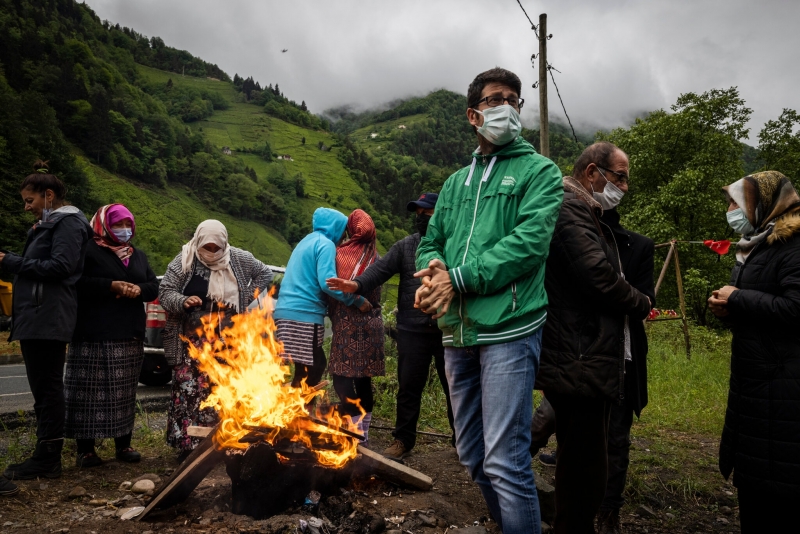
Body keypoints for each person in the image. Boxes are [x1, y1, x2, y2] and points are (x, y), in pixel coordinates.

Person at [414, 67, 563, 534]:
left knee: (506, 458)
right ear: (474, 115)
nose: (508, 107)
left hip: (510, 329)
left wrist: (456, 277)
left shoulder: (540, 172)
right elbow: (429, 239)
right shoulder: (457, 182)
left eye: (514, 100)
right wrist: (433, 273)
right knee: (473, 454)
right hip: (458, 332)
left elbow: (528, 244)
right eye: (497, 99)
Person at [535, 142, 651, 534]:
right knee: (587, 463)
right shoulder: (571, 208)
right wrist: (640, 302)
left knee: (579, 454)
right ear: (591, 173)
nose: (624, 186)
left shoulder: (587, 211)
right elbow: (598, 276)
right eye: (619, 176)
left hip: (581, 351)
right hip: (579, 353)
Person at [328, 193, 455, 460]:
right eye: (418, 213)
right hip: (412, 329)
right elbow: (380, 270)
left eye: (427, 212)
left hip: (448, 329)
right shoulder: (406, 246)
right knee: (409, 388)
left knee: (455, 389)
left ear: (441, 213)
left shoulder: (454, 244)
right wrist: (357, 284)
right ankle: (403, 440)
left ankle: (463, 441)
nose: (421, 218)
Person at [708, 171, 800, 533]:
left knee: (780, 487)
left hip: (784, 387)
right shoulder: (755, 245)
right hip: (757, 384)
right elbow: (763, 314)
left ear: (763, 203)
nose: (730, 210)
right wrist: (730, 310)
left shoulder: (793, 246)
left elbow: (796, 308)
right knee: (757, 484)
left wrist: (740, 298)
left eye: (736, 202)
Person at [0, 162, 90, 489]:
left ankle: (48, 457)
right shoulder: (46, 225)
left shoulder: (68, 224)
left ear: (48, 195)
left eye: (30, 201)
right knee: (42, 387)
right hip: (36, 316)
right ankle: (45, 451)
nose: (26, 207)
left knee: (48, 386)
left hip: (48, 316)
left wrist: (9, 260)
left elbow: (61, 267)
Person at [159, 220, 272, 457]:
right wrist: (183, 301)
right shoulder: (184, 261)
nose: (211, 252)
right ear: (198, 241)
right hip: (192, 343)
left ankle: (221, 445)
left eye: (216, 248)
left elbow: (265, 272)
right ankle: (188, 448)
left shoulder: (238, 259)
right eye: (206, 247)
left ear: (224, 244)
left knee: (224, 391)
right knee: (190, 392)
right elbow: (166, 291)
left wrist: (245, 298)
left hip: (228, 341)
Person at [64, 204, 159, 468]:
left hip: (128, 333)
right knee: (88, 392)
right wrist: (111, 286)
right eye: (118, 225)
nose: (124, 230)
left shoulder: (136, 255)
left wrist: (137, 289)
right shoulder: (88, 250)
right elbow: (77, 282)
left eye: (128, 224)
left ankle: (123, 443)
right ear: (103, 225)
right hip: (92, 332)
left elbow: (153, 285)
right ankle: (86, 450)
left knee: (124, 392)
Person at [273, 208, 371, 390]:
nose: (344, 238)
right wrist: (356, 300)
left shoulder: (305, 241)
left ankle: (292, 409)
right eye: (343, 231)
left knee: (304, 369)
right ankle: (299, 412)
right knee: (314, 368)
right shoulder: (325, 245)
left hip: (284, 313)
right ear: (334, 227)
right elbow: (328, 284)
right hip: (304, 315)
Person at [327, 209, 384, 442]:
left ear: (351, 229)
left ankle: (353, 429)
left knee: (340, 378)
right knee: (363, 381)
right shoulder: (377, 257)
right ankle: (363, 432)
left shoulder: (339, 254)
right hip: (372, 323)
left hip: (347, 323)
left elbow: (332, 288)